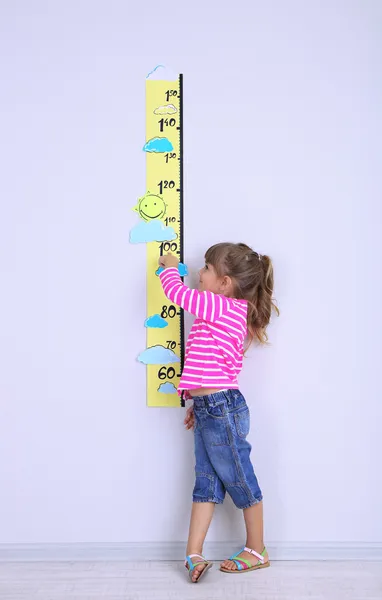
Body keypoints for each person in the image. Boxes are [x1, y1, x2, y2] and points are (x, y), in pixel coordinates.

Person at [158, 242, 279, 583]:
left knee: (240, 477)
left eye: (207, 268)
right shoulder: (221, 310)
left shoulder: (222, 307)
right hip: (211, 408)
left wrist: (168, 265)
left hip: (222, 408)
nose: (200, 272)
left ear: (224, 283)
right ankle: (193, 554)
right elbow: (205, 359)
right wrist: (195, 400)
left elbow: (176, 294)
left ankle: (257, 548)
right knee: (207, 483)